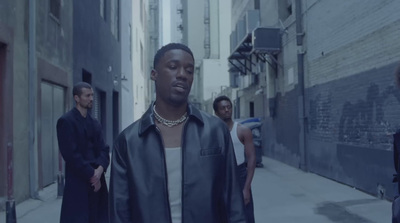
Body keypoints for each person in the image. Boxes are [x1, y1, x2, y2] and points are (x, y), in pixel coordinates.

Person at [109, 43, 247, 223]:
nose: (182, 74)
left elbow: (233, 201)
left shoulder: (215, 131)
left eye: (189, 71)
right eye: (173, 67)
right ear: (154, 75)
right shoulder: (128, 141)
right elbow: (119, 212)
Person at [56, 82, 109, 223]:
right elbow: (71, 155)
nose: (91, 98)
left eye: (92, 95)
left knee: (97, 218)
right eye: (87, 95)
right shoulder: (66, 122)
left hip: (97, 182)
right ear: (77, 98)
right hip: (78, 182)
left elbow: (104, 149)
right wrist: (92, 175)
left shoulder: (95, 123)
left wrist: (99, 170)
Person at [213, 95, 256, 223]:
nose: (227, 110)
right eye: (223, 108)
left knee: (246, 215)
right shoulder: (213, 133)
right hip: (221, 176)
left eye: (229, 107)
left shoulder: (243, 131)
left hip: (240, 175)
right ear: (216, 112)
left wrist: (246, 188)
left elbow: (252, 159)